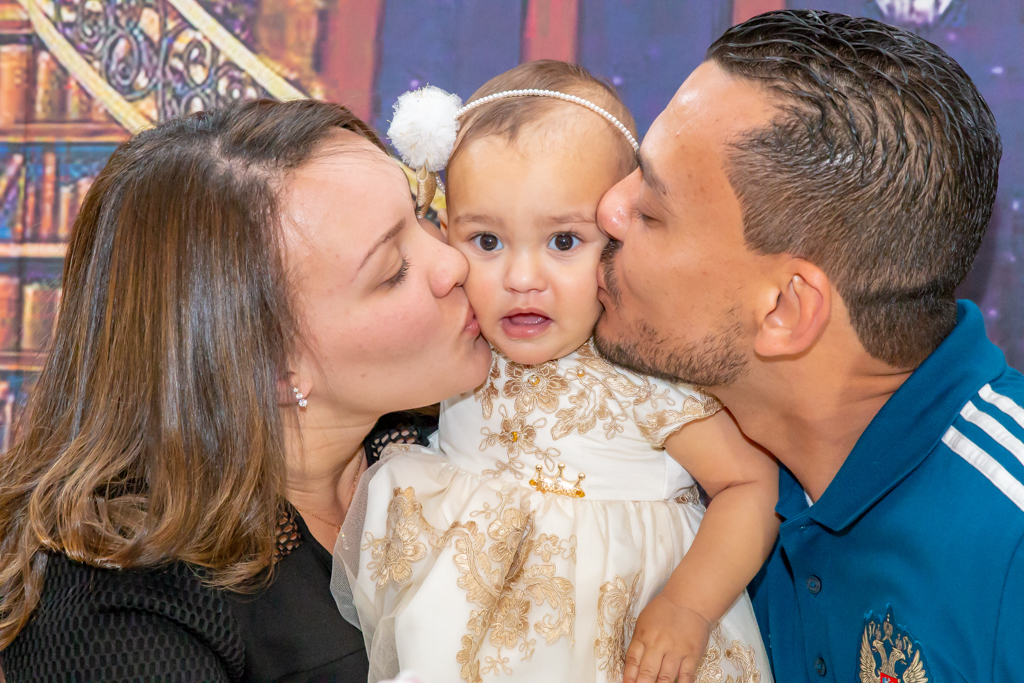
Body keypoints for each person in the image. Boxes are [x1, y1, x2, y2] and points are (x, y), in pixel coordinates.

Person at [0, 99, 492, 681]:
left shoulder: (485, 429)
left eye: (422, 212)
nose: (453, 262)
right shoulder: (119, 609)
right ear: (272, 369)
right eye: (392, 271)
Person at [595, 9, 1020, 683]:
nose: (606, 210)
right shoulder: (650, 438)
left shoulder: (1007, 541)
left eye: (651, 211)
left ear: (786, 310)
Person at [334, 61, 777, 683]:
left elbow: (750, 487)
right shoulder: (460, 350)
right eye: (487, 241)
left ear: (622, 236)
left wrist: (689, 606)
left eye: (563, 242)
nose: (522, 279)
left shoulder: (642, 372)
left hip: (611, 645)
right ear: (445, 235)